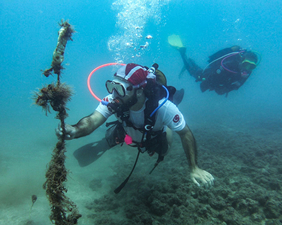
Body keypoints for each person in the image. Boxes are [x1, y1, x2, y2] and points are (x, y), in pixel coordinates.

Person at [56, 63, 214, 192]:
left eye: (120, 89)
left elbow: (185, 133)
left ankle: (171, 116)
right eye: (112, 86)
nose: (114, 94)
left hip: (154, 134)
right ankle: (112, 139)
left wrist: (194, 168)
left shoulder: (163, 107)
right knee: (116, 132)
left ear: (139, 92)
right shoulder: (114, 99)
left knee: (164, 149)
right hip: (128, 131)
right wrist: (75, 130)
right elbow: (92, 120)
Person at [168, 34, 259, 96]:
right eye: (246, 64)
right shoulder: (230, 65)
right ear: (242, 61)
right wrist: (216, 87)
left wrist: (227, 89)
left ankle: (190, 60)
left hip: (214, 79)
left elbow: (236, 86)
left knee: (198, 70)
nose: (247, 68)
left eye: (251, 66)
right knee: (195, 72)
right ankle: (182, 52)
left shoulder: (247, 72)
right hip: (209, 75)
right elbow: (214, 77)